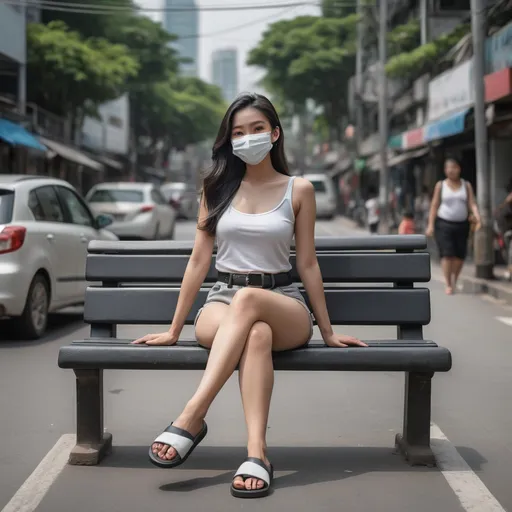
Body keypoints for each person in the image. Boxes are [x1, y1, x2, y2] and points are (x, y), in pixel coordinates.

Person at [132, 93, 367, 499]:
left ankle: (193, 414)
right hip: (221, 302)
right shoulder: (216, 188)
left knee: (251, 302)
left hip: (283, 302)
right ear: (229, 140)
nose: (247, 138)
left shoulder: (300, 190)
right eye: (238, 132)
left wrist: (328, 331)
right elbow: (197, 261)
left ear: (274, 134)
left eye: (257, 129)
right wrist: (174, 329)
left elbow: (308, 264)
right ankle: (257, 453)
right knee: (254, 331)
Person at [426, 157, 481, 295]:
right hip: (444, 223)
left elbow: (472, 203)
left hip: (462, 224)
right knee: (447, 254)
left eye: (454, 167)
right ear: (445, 170)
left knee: (459, 255)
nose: (451, 170)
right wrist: (430, 225)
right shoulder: (441, 185)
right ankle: (448, 283)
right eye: (448, 168)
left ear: (459, 169)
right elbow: (434, 205)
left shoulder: (466, 185)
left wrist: (477, 215)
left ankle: (455, 278)